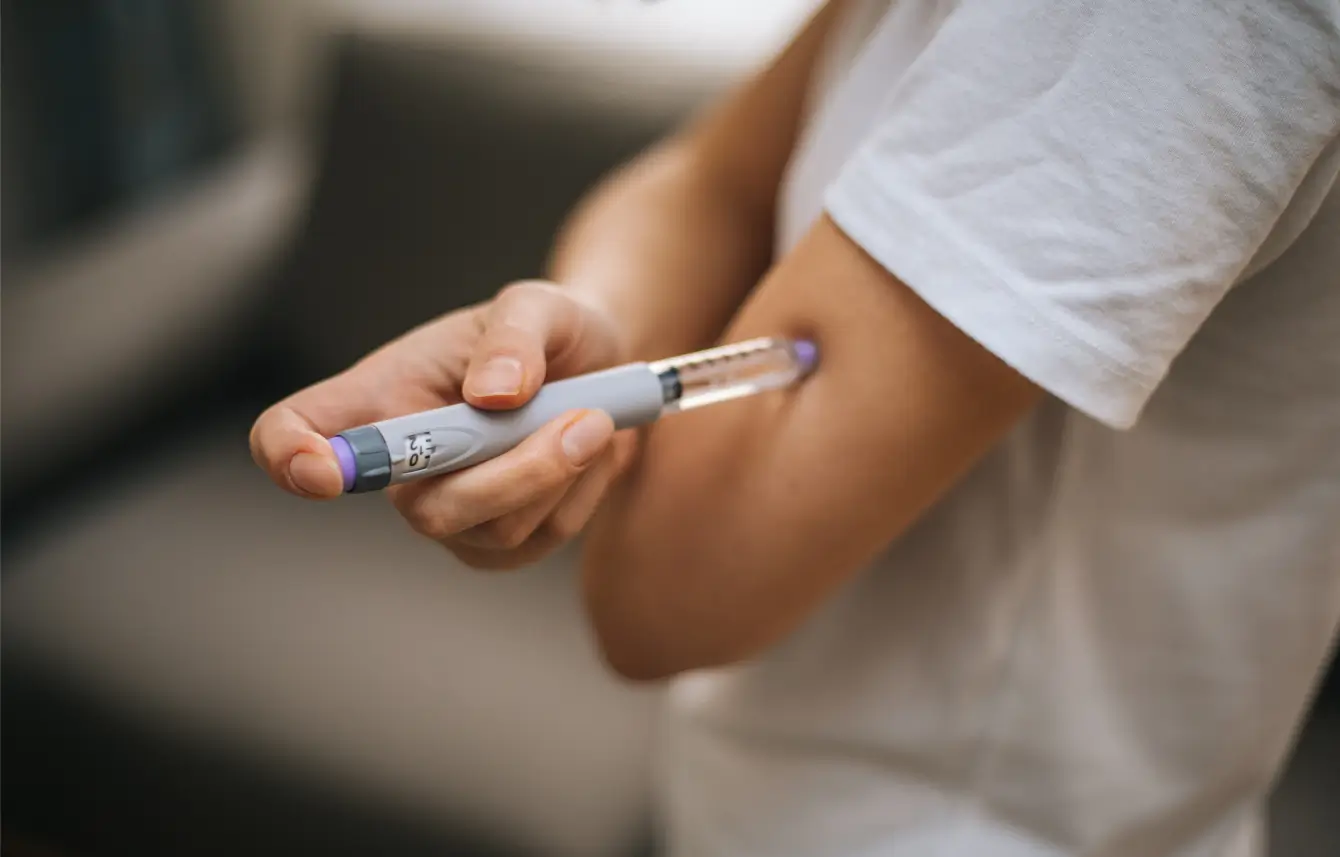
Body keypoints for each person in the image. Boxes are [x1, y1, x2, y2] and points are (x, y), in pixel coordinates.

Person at [252, 1, 1340, 854]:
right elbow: (705, 180)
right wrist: (590, 332)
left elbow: (656, 600)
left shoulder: (1152, 28)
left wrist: (611, 429)